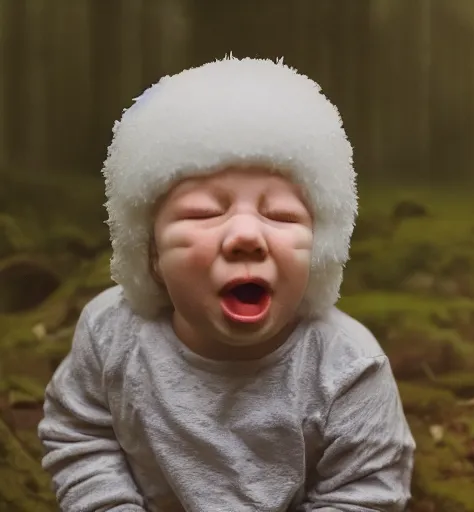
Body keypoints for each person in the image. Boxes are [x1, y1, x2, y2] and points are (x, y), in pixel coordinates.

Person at [38, 56, 415, 512]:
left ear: (320, 250)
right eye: (203, 213)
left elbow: (367, 492)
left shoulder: (348, 369)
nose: (246, 236)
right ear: (151, 252)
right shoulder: (109, 333)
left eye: (279, 215)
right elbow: (79, 433)